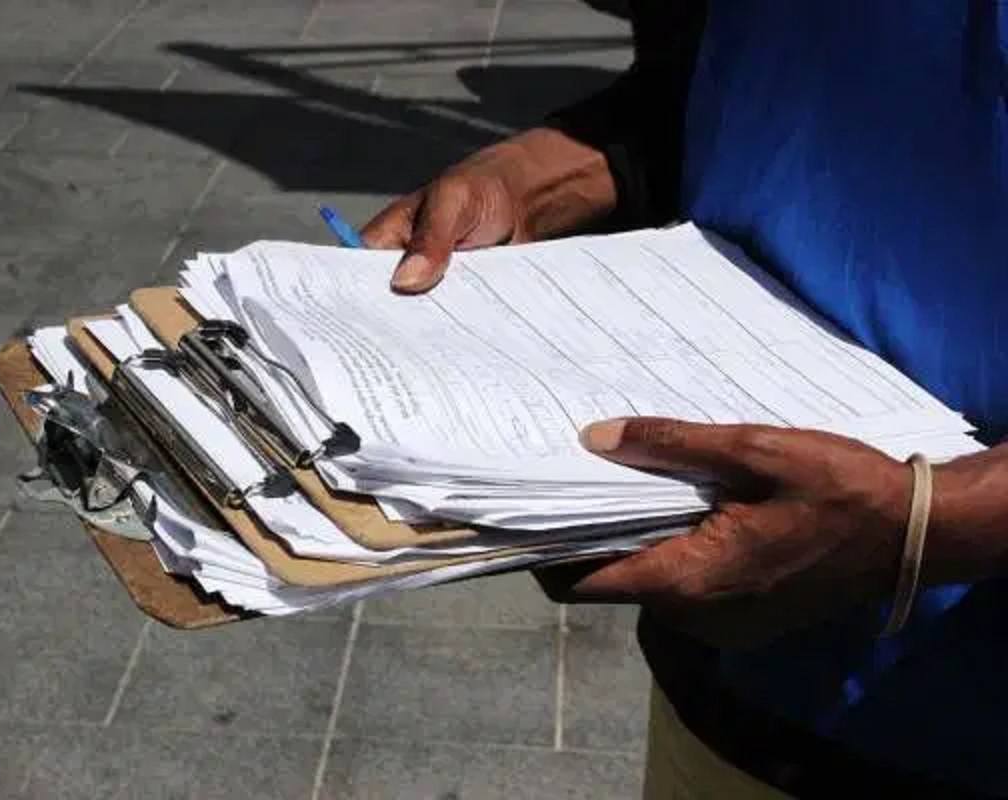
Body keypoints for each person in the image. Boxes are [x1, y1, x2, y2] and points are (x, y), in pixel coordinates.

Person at [361, 2, 1007, 797]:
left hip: (965, 708)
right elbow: (718, 80)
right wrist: (536, 176)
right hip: (722, 685)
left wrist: (941, 520)